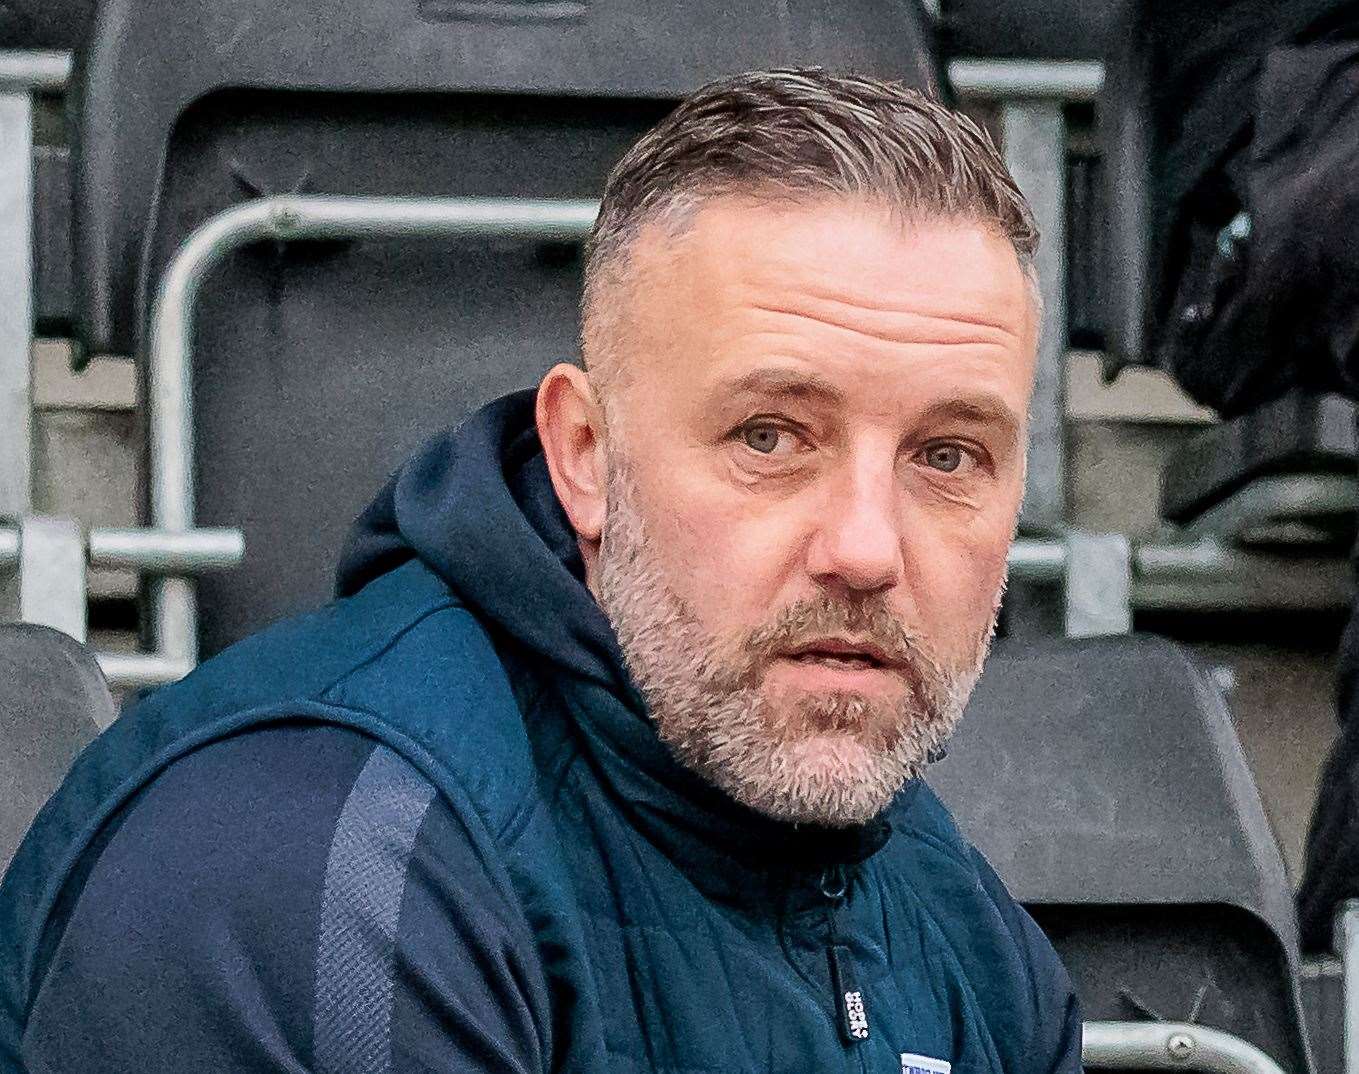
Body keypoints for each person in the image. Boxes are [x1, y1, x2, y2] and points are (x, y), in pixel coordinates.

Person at [0, 68, 1081, 1072]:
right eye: (770, 437)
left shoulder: (969, 938)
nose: (865, 548)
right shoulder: (319, 855)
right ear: (585, 457)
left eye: (948, 456)